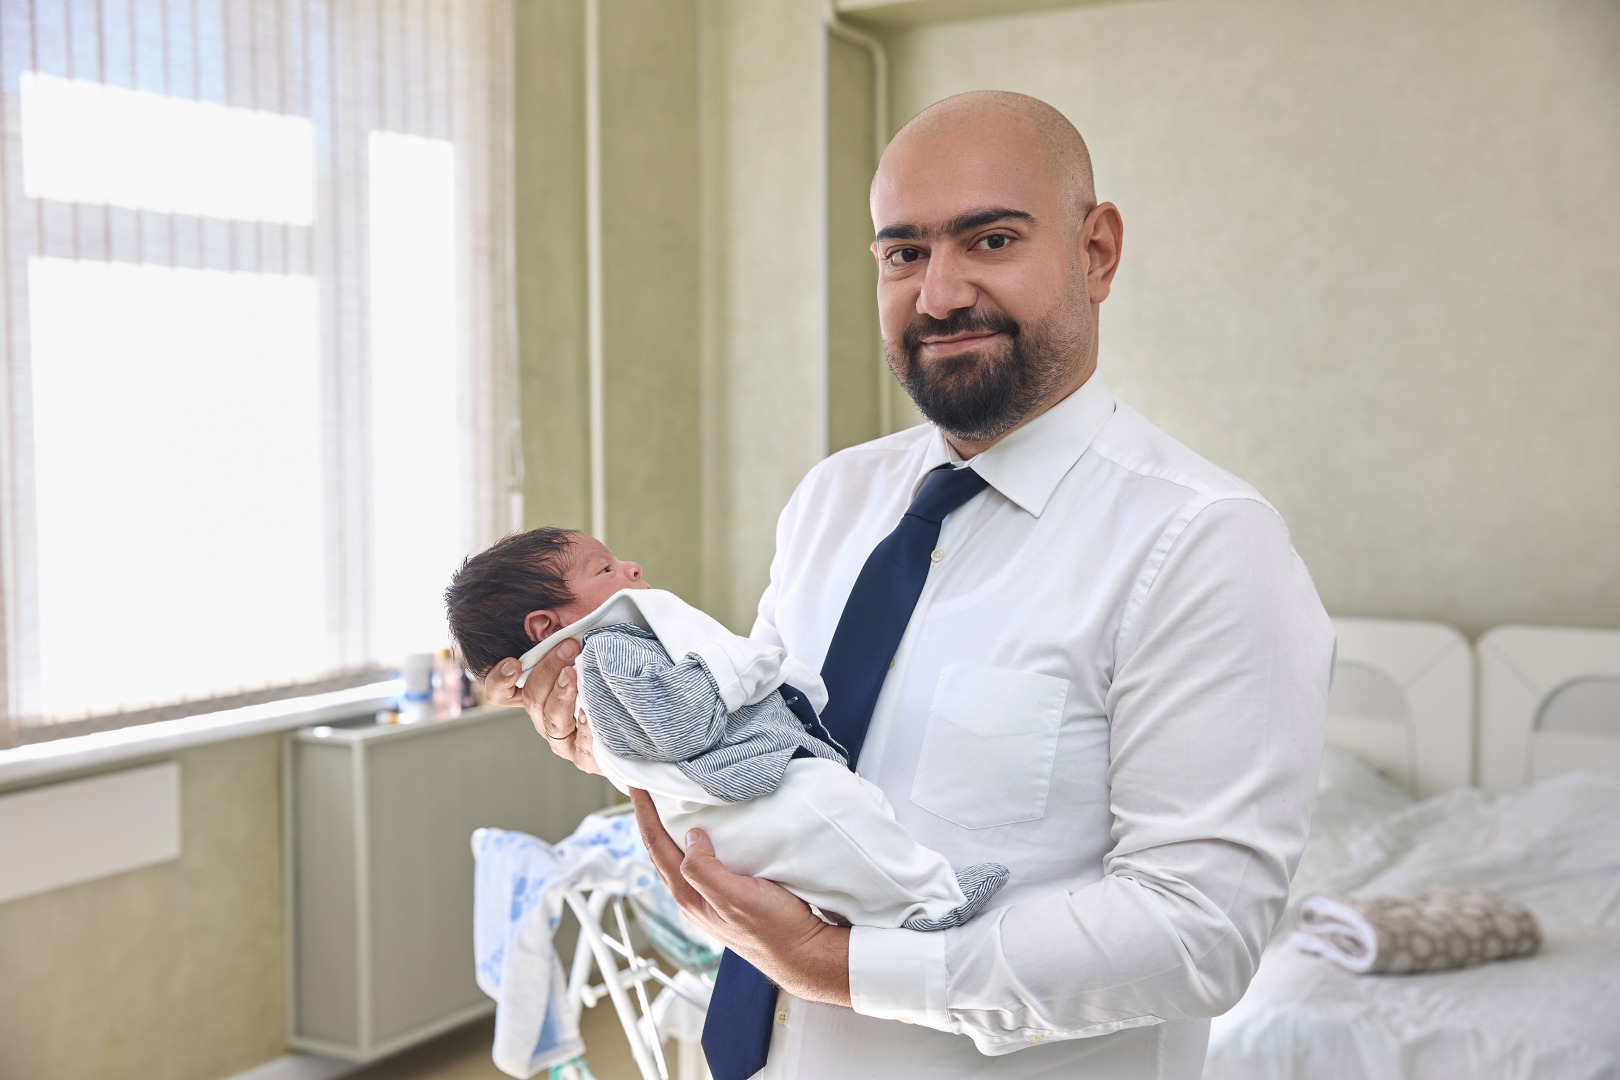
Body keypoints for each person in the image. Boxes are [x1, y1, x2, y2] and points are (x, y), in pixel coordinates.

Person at [484, 90, 1334, 1080]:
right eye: (904, 254)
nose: (939, 294)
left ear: (1096, 251)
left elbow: (1197, 936)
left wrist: (840, 969)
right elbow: (759, 748)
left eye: (992, 240)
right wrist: (621, 734)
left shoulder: (1205, 548)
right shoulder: (832, 501)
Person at [445, 527, 1009, 932]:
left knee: (843, 817)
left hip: (737, 793)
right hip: (739, 792)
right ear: (547, 625)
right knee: (833, 807)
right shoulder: (610, 650)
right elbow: (682, 723)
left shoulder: (615, 653)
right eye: (606, 569)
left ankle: (869, 901)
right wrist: (736, 667)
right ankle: (930, 903)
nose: (632, 567)